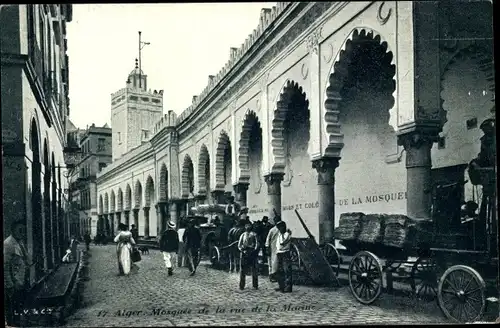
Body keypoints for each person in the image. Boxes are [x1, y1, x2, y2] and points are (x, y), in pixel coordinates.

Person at [4, 220, 30, 326]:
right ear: (13, 230)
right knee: (11, 311)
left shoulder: (19, 242)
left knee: (18, 308)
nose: (22, 233)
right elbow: (5, 267)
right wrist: (10, 286)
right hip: (13, 284)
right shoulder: (8, 244)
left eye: (23, 230)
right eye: (20, 230)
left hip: (20, 282)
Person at [238, 222, 259, 290]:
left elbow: (257, 244)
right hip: (244, 253)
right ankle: (242, 285)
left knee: (254, 269)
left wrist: (254, 251)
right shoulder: (242, 235)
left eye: (249, 225)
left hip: (252, 253)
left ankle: (255, 285)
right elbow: (239, 245)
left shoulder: (254, 234)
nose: (248, 227)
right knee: (242, 270)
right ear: (245, 227)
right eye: (246, 225)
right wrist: (242, 250)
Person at [275, 221, 293, 293]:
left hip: (285, 253)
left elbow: (282, 242)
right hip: (279, 253)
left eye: (280, 227)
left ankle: (288, 287)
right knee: (280, 270)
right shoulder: (280, 234)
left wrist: (283, 233)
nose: (279, 229)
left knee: (287, 270)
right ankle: (281, 286)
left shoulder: (287, 234)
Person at [265, 213, 282, 282]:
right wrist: (267, 247)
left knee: (278, 262)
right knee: (272, 262)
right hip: (273, 248)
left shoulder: (282, 229)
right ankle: (271, 276)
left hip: (280, 248)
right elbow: (268, 240)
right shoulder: (272, 230)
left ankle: (277, 276)